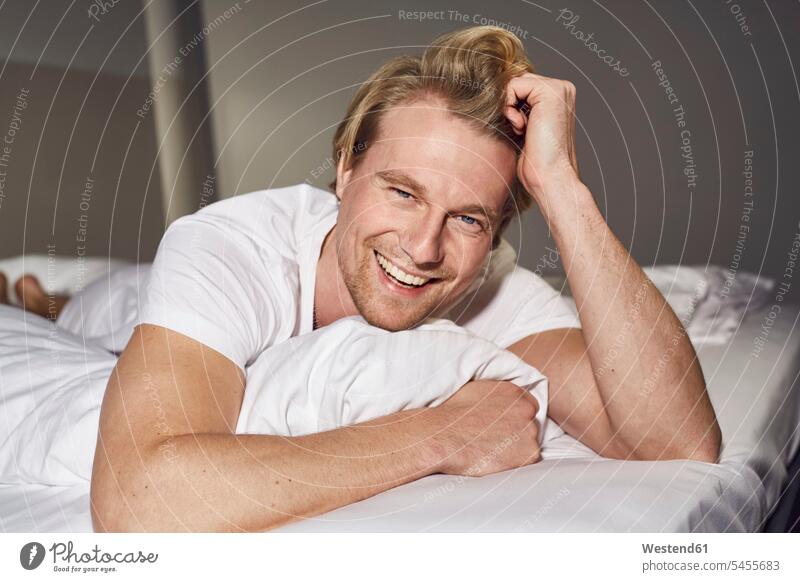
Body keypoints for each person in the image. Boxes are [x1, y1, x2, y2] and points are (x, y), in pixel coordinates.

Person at [78, 26, 718, 532]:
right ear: (345, 168)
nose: (422, 249)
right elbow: (140, 503)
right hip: (118, 313)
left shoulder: (487, 287)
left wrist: (561, 185)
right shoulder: (228, 246)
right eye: (403, 192)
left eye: (467, 218)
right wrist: (439, 435)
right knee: (78, 308)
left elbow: (680, 441)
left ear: (496, 233)